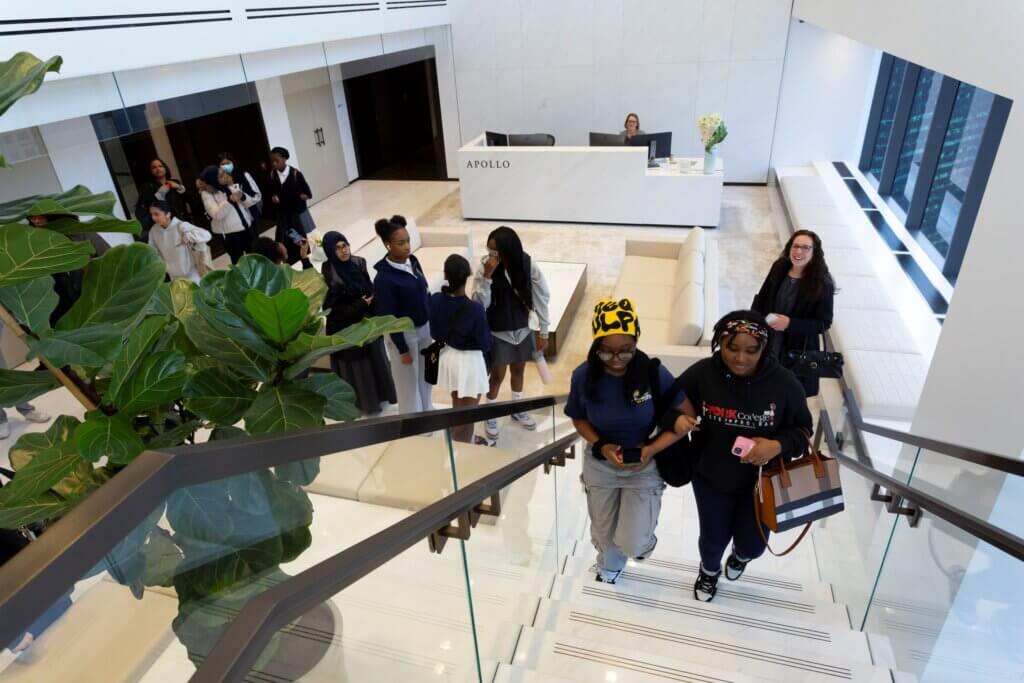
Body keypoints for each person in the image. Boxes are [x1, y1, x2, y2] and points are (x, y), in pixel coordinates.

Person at [666, 311, 812, 602]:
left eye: (751, 350)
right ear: (720, 342)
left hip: (761, 485)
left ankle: (740, 557)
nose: (740, 358)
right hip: (710, 475)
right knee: (712, 539)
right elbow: (668, 403)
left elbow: (803, 430)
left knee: (754, 545)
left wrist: (776, 445)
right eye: (732, 348)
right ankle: (708, 573)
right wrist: (677, 421)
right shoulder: (702, 373)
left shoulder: (784, 384)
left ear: (764, 349)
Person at [565, 299, 690, 584]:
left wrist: (650, 450)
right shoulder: (583, 376)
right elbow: (579, 418)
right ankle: (609, 565)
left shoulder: (652, 373)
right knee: (602, 535)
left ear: (636, 341)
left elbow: (686, 415)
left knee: (632, 542)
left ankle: (643, 542)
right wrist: (602, 446)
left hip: (644, 463)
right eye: (606, 352)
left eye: (625, 351)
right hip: (601, 463)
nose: (616, 359)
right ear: (596, 346)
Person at [471, 226, 550, 442]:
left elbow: (542, 295)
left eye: (496, 252)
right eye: (489, 251)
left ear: (508, 249)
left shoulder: (527, 263)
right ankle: (491, 414)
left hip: (523, 329)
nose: (491, 256)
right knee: (496, 376)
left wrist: (544, 330)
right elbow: (479, 304)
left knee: (519, 370)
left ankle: (517, 408)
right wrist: (487, 276)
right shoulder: (484, 268)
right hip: (498, 330)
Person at [751, 229, 835, 397]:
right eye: (795, 246)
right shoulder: (779, 267)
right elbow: (762, 298)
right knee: (762, 386)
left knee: (787, 393)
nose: (798, 251)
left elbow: (823, 323)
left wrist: (789, 323)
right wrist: (753, 324)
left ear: (814, 252)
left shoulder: (822, 283)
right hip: (769, 341)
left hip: (796, 349)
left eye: (805, 248)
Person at [321, 231, 397, 416]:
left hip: (367, 321)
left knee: (376, 359)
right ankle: (366, 404)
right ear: (330, 251)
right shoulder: (329, 273)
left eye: (345, 245)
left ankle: (382, 396)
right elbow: (333, 309)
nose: (343, 251)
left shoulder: (358, 262)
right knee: (359, 366)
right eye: (337, 248)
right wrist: (360, 304)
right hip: (346, 327)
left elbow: (368, 285)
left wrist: (373, 300)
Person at [372, 218, 433, 414]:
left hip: (425, 328)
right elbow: (389, 318)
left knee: (428, 373)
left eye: (408, 240)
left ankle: (427, 409)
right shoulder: (384, 278)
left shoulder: (413, 261)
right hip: (404, 335)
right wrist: (402, 349)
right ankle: (413, 422)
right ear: (387, 244)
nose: (407, 246)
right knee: (408, 383)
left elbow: (424, 291)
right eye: (401, 243)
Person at [429, 254, 492, 444]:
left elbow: (434, 331)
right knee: (469, 413)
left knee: (458, 403)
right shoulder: (474, 309)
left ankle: (463, 437)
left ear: (445, 275)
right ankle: (463, 444)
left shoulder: (435, 300)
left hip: (448, 357)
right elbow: (485, 343)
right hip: (469, 362)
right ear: (468, 276)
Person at [197, 165, 256, 264]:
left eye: (223, 173)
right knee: (239, 264)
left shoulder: (229, 185)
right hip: (231, 234)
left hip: (246, 227)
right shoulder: (207, 194)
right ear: (212, 179)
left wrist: (243, 197)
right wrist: (229, 201)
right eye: (220, 175)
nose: (224, 176)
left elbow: (250, 203)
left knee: (254, 258)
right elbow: (216, 214)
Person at [269, 147, 315, 267]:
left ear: (284, 159)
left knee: (298, 241)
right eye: (272, 161)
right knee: (282, 242)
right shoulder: (272, 175)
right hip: (282, 217)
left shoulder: (295, 174)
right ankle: (288, 265)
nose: (274, 163)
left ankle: (304, 262)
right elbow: (272, 191)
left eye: (276, 160)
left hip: (295, 216)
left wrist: (301, 196)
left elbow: (308, 193)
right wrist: (274, 196)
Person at [147, 200, 212, 283]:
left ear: (168, 214)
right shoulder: (153, 231)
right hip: (173, 277)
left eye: (156, 214)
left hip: (192, 273)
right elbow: (152, 252)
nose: (153, 218)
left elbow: (207, 235)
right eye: (151, 214)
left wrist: (189, 236)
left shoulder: (180, 225)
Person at [134, 158, 191, 240]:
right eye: (154, 167)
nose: (158, 169)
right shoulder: (147, 187)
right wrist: (162, 191)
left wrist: (178, 187)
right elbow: (152, 205)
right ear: (151, 171)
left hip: (181, 221)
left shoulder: (174, 182)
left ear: (165, 168)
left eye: (160, 166)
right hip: (164, 226)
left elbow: (188, 198)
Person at [216, 151, 263, 237]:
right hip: (233, 221)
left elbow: (257, 195)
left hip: (250, 214)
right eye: (223, 164)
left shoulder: (243, 175)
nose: (226, 166)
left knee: (254, 239)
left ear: (233, 163)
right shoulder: (219, 182)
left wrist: (243, 197)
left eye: (228, 163)